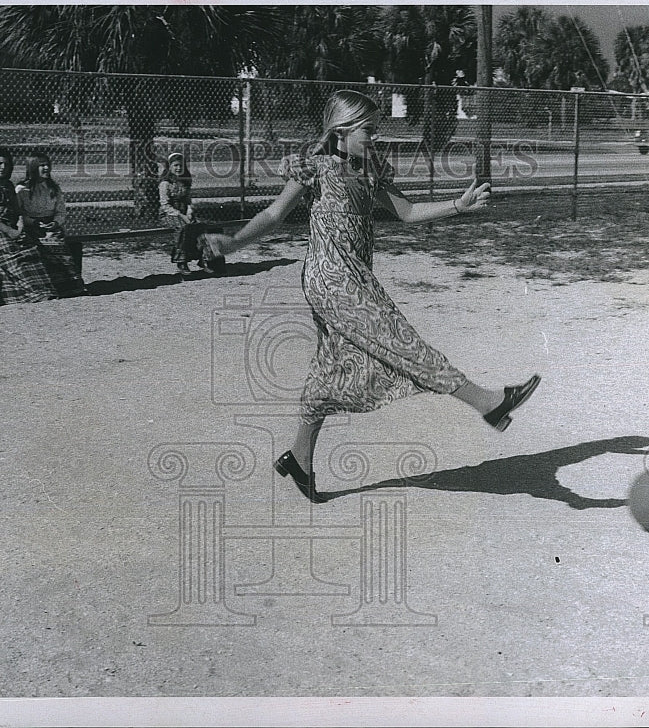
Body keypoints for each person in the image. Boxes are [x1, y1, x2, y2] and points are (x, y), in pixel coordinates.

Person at [203, 90, 540, 503]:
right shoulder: (316, 167)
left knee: (331, 368)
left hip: (357, 277)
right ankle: (487, 402)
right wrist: (234, 243)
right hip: (329, 278)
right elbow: (274, 216)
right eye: (369, 129)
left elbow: (407, 213)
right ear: (341, 132)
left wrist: (459, 205)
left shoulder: (371, 168)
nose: (376, 137)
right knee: (399, 340)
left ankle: (299, 458)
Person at [0, 147, 59, 304]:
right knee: (11, 250)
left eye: (5, 164)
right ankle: (34, 293)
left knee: (30, 248)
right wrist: (9, 231)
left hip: (10, 225)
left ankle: (29, 293)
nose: (2, 167)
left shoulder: (8, 185)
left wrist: (19, 226)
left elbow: (17, 211)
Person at [15, 151, 87, 297]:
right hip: (31, 226)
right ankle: (49, 286)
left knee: (57, 245)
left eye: (47, 165)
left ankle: (70, 286)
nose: (46, 168)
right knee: (40, 248)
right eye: (41, 165)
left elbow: (61, 211)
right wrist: (33, 222)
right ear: (32, 168)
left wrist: (55, 223)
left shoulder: (53, 188)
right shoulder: (22, 189)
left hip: (51, 225)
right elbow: (18, 213)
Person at [159, 152, 220, 276]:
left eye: (181, 166)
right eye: (175, 165)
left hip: (183, 212)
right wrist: (181, 215)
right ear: (169, 167)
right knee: (183, 228)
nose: (178, 168)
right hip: (169, 214)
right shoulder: (165, 183)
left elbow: (187, 200)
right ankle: (182, 261)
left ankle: (204, 259)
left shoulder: (185, 181)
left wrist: (189, 210)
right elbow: (165, 205)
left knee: (202, 227)